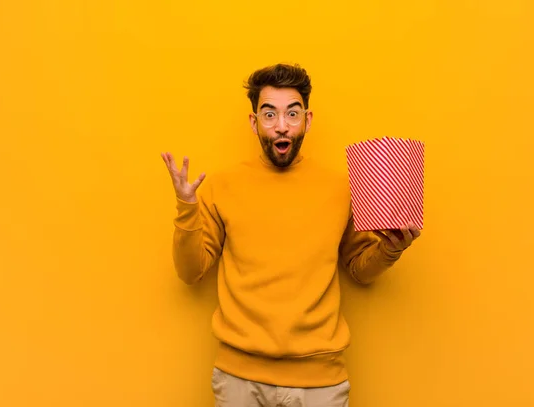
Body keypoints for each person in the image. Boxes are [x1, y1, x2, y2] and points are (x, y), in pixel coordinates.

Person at [161, 63, 421, 407]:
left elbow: (359, 269)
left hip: (320, 385)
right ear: (254, 123)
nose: (281, 126)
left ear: (307, 120)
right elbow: (190, 272)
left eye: (292, 114)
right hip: (239, 380)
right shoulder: (222, 186)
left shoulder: (342, 190)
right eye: (269, 115)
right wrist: (187, 207)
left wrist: (389, 250)